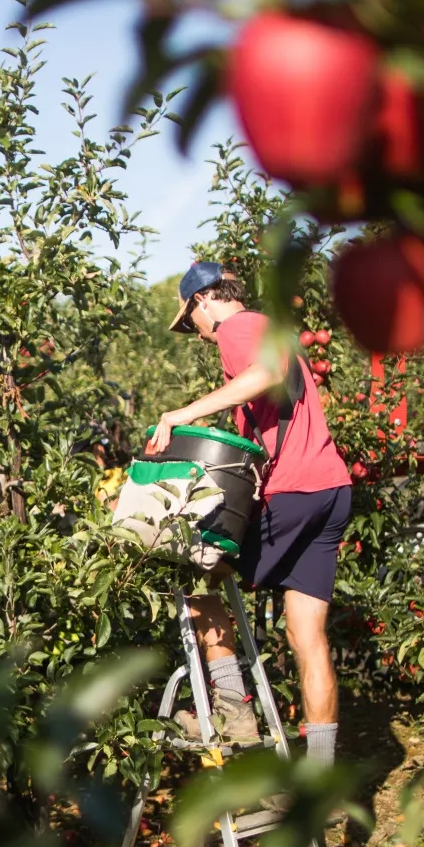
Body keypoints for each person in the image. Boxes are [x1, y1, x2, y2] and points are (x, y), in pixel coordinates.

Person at [146, 260, 353, 767]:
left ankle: (234, 714)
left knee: (196, 572)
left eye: (189, 321)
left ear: (202, 301)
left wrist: (181, 414)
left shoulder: (238, 328)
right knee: (306, 636)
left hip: (296, 490)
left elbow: (265, 375)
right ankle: (322, 772)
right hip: (331, 490)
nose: (195, 334)